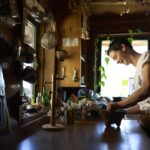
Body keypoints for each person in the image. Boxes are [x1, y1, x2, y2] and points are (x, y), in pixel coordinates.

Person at [106, 38, 150, 115]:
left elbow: (147, 88)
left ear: (123, 47)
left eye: (115, 57)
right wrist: (122, 112)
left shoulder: (146, 57)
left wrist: (118, 105)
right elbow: (144, 105)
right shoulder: (137, 73)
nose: (117, 62)